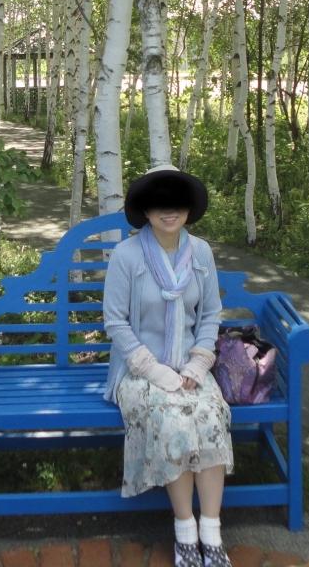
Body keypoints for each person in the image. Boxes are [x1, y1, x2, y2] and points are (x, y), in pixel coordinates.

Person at [103, 164, 234, 567]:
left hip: (191, 368)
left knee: (211, 418)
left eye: (176, 202)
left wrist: (197, 365)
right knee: (174, 422)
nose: (169, 210)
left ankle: (211, 533)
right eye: (159, 203)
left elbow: (210, 314)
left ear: (188, 208)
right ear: (145, 210)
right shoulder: (127, 256)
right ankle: (185, 533)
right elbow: (115, 322)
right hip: (140, 371)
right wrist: (155, 371)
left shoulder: (201, 253)